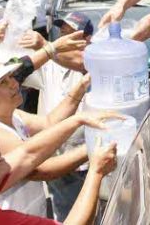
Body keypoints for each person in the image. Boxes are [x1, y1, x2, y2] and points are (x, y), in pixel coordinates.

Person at [0, 57, 112, 217]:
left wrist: (82, 85)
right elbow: (42, 169)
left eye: (10, 77)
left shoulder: (14, 115)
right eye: (3, 82)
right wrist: (95, 146)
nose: (14, 84)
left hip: (31, 212)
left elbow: (49, 122)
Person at [18, 12, 95, 221]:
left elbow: (81, 63)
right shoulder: (50, 63)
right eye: (62, 33)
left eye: (71, 34)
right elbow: (16, 72)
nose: (64, 39)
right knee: (63, 213)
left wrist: (47, 46)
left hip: (82, 159)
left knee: (87, 213)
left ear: (87, 40)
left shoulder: (92, 63)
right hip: (53, 156)